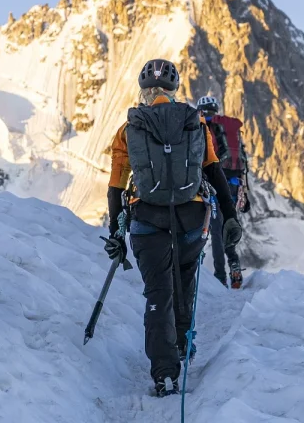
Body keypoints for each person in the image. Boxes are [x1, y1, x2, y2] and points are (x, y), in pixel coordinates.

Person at [103, 59, 243, 397]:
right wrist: (230, 216)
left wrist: (115, 232)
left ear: (144, 92)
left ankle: (164, 372)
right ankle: (184, 346)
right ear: (173, 91)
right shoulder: (195, 123)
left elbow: (116, 186)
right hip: (192, 216)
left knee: (158, 293)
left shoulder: (128, 129)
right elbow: (214, 172)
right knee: (184, 282)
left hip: (147, 219)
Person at [196, 96, 251, 289]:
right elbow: (243, 162)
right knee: (228, 224)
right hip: (235, 185)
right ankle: (234, 266)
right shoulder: (230, 129)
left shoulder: (205, 127)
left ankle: (220, 277)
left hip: (216, 184)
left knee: (217, 230)